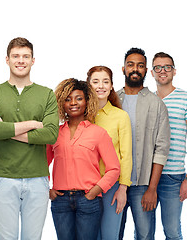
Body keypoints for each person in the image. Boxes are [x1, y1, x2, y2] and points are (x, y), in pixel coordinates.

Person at [0, 37, 59, 240]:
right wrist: (33, 124)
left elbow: (51, 134)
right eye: (16, 56)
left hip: (38, 178)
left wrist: (6, 129)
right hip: (4, 178)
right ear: (7, 59)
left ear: (33, 60)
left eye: (25, 56)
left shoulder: (47, 94)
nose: (20, 60)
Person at [47, 78, 121, 240]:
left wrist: (96, 191)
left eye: (79, 98)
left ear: (87, 101)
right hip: (60, 201)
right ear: (62, 103)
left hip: (88, 200)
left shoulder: (98, 133)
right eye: (68, 99)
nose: (73, 103)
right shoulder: (54, 133)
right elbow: (41, 163)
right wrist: (48, 189)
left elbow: (114, 168)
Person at [118, 48, 171, 240]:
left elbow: (161, 149)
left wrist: (152, 189)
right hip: (115, 184)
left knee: (145, 235)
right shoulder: (112, 101)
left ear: (146, 70)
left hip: (143, 185)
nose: (135, 69)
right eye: (130, 64)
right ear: (123, 68)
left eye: (140, 65)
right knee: (112, 234)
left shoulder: (157, 104)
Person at [152, 52, 187, 239]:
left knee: (172, 231)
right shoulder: (148, 99)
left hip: (173, 177)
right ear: (152, 72)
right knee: (142, 232)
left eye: (167, 67)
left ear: (174, 71)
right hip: (146, 176)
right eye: (158, 67)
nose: (162, 71)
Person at [87, 66, 132, 240]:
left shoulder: (121, 116)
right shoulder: (82, 116)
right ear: (88, 85)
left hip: (112, 187)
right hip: (86, 186)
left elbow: (126, 155)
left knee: (109, 236)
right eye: (95, 81)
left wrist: (123, 188)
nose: (101, 86)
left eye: (105, 82)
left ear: (112, 86)